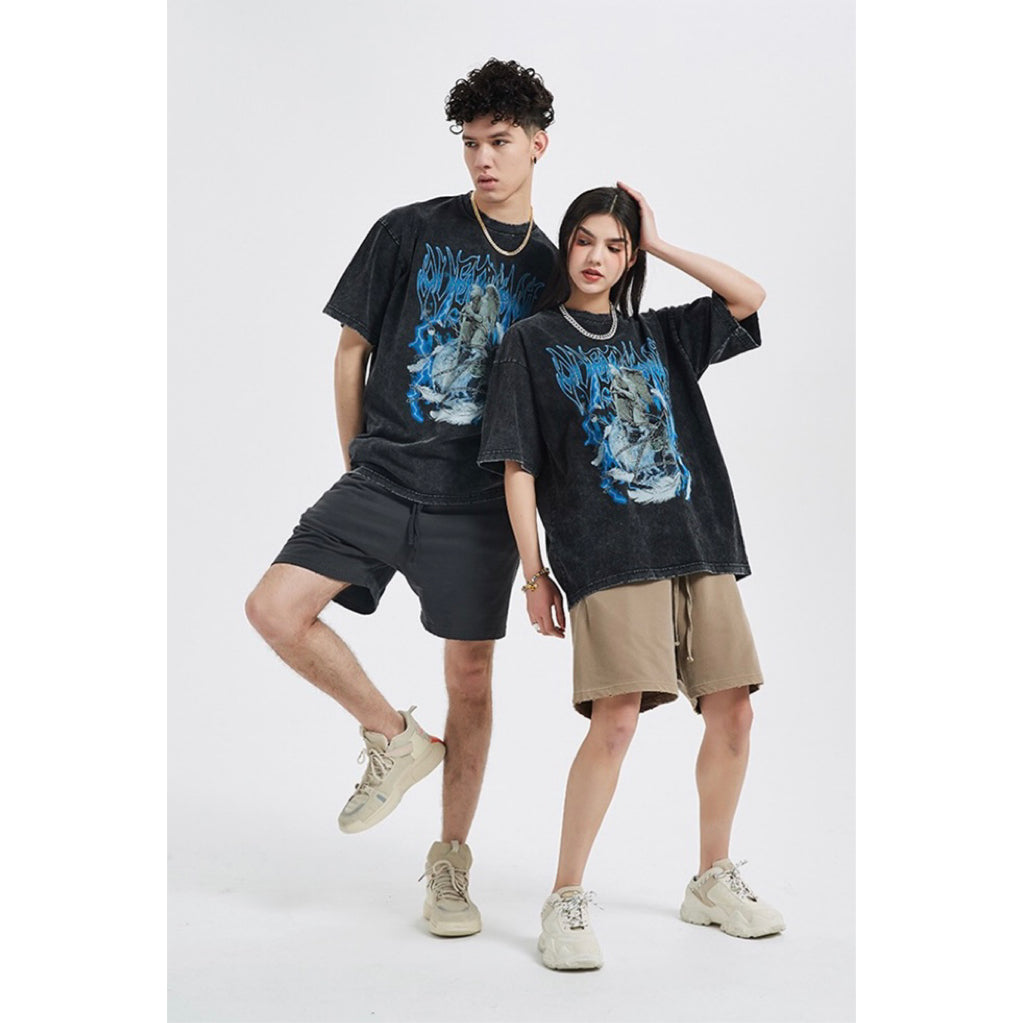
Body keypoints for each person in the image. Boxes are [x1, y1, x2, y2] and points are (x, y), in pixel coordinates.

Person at [244, 59, 556, 938]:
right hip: (381, 477)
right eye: (470, 143)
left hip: (476, 506)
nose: (483, 159)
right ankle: (393, 736)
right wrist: (355, 464)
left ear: (538, 144)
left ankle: (450, 863)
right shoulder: (409, 230)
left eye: (500, 141)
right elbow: (352, 350)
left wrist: (543, 553)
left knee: (471, 679)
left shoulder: (550, 270)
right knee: (274, 608)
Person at [479, 183, 785, 970]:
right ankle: (564, 896)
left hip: (698, 542)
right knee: (614, 721)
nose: (596, 257)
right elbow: (518, 465)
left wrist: (661, 242)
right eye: (583, 240)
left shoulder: (663, 333)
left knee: (734, 712)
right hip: (606, 554)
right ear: (565, 245)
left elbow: (748, 297)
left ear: (630, 257)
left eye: (615, 245)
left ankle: (710, 878)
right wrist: (534, 574)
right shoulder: (531, 340)